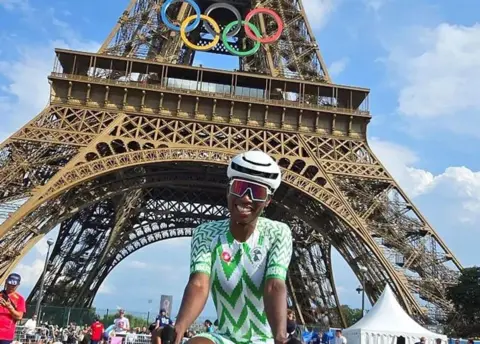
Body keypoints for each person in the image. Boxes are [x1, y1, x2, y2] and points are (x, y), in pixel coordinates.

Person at [155, 150, 293, 344]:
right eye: (239, 188)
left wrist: (280, 337)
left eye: (257, 192)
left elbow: (274, 285)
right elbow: (199, 284)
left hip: (266, 339)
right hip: (224, 337)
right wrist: (179, 328)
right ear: (228, 190)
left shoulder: (278, 232)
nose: (246, 198)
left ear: (268, 201)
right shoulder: (205, 233)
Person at [0, 273, 26, 344]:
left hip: (6, 335)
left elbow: (19, 316)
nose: (11, 286)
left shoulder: (20, 299)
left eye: (14, 285)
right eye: (10, 283)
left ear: (18, 285)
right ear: (6, 282)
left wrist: (9, 307)